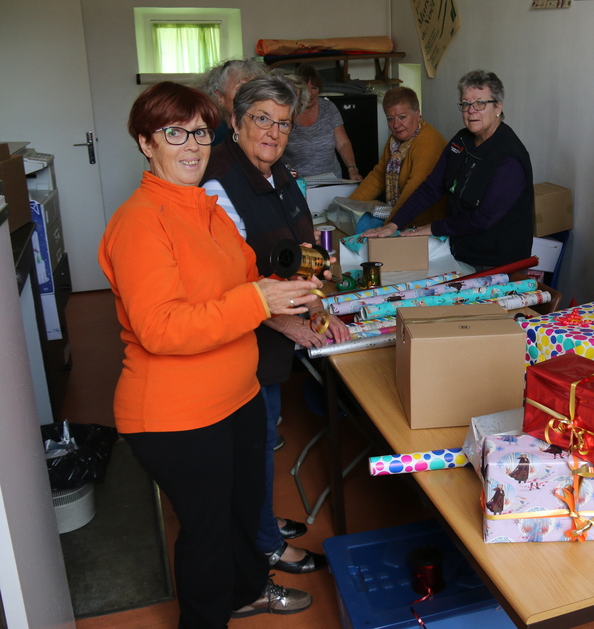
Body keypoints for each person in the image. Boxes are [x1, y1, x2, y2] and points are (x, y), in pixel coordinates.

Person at [99, 81, 316, 626]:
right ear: (147, 143)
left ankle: (247, 591)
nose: (192, 145)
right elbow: (160, 328)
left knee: (243, 516)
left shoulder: (205, 208)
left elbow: (248, 279)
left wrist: (297, 296)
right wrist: (258, 297)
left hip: (237, 396)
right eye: (175, 133)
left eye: (200, 132)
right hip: (177, 415)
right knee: (207, 533)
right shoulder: (141, 222)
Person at [201, 74, 350, 576]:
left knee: (262, 438)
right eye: (261, 119)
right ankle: (263, 543)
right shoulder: (221, 180)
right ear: (237, 121)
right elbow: (229, 275)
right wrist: (287, 323)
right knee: (252, 443)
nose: (273, 131)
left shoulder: (276, 172)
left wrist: (318, 304)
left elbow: (302, 247)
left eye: (282, 123)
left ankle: (261, 521)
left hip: (275, 331)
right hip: (245, 342)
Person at [363, 70, 534, 271]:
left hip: (497, 261)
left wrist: (433, 228)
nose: (471, 111)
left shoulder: (509, 157)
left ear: (498, 106)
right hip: (461, 249)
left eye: (480, 103)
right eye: (465, 104)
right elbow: (431, 187)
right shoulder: (461, 141)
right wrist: (395, 224)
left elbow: (484, 218)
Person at [348, 86, 447, 228]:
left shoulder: (428, 141)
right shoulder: (395, 141)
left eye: (402, 117)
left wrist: (389, 226)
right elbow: (378, 176)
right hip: (402, 217)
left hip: (425, 223)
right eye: (390, 119)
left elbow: (415, 188)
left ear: (417, 114)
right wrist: (346, 208)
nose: (395, 125)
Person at [281, 64, 363, 180]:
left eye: (314, 88)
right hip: (296, 183)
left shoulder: (329, 108)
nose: (310, 93)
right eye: (305, 88)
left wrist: (352, 169)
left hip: (330, 180)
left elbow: (343, 143)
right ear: (297, 89)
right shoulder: (287, 111)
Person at [196, 58, 268, 145]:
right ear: (219, 98)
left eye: (256, 89)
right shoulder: (213, 136)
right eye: (241, 89)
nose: (251, 96)